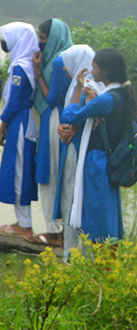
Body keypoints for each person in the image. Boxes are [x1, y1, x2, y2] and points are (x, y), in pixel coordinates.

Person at [62, 48, 134, 254]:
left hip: (97, 162)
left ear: (106, 70)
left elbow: (71, 115)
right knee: (108, 217)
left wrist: (77, 88)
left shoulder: (105, 100)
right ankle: (108, 270)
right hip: (110, 160)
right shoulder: (122, 94)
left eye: (94, 67)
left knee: (96, 217)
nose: (92, 72)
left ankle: (101, 268)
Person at [0, 22, 39, 238]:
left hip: (20, 122)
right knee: (20, 169)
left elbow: (13, 103)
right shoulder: (29, 64)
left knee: (19, 171)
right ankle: (23, 221)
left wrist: (2, 125)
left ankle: (25, 224)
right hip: (25, 119)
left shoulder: (20, 67)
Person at [32, 19, 73, 245]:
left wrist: (38, 73)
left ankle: (54, 232)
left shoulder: (58, 62)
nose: (40, 43)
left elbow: (51, 97)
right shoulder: (66, 55)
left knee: (49, 173)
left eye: (44, 38)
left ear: (54, 38)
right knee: (60, 173)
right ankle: (63, 229)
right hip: (60, 116)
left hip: (54, 115)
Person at [50, 44, 95, 252]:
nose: (63, 68)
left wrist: (72, 125)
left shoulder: (89, 88)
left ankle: (75, 253)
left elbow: (75, 115)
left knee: (74, 198)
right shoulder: (78, 86)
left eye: (67, 63)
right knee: (70, 198)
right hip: (74, 150)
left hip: (80, 153)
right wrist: (64, 126)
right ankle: (71, 251)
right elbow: (70, 117)